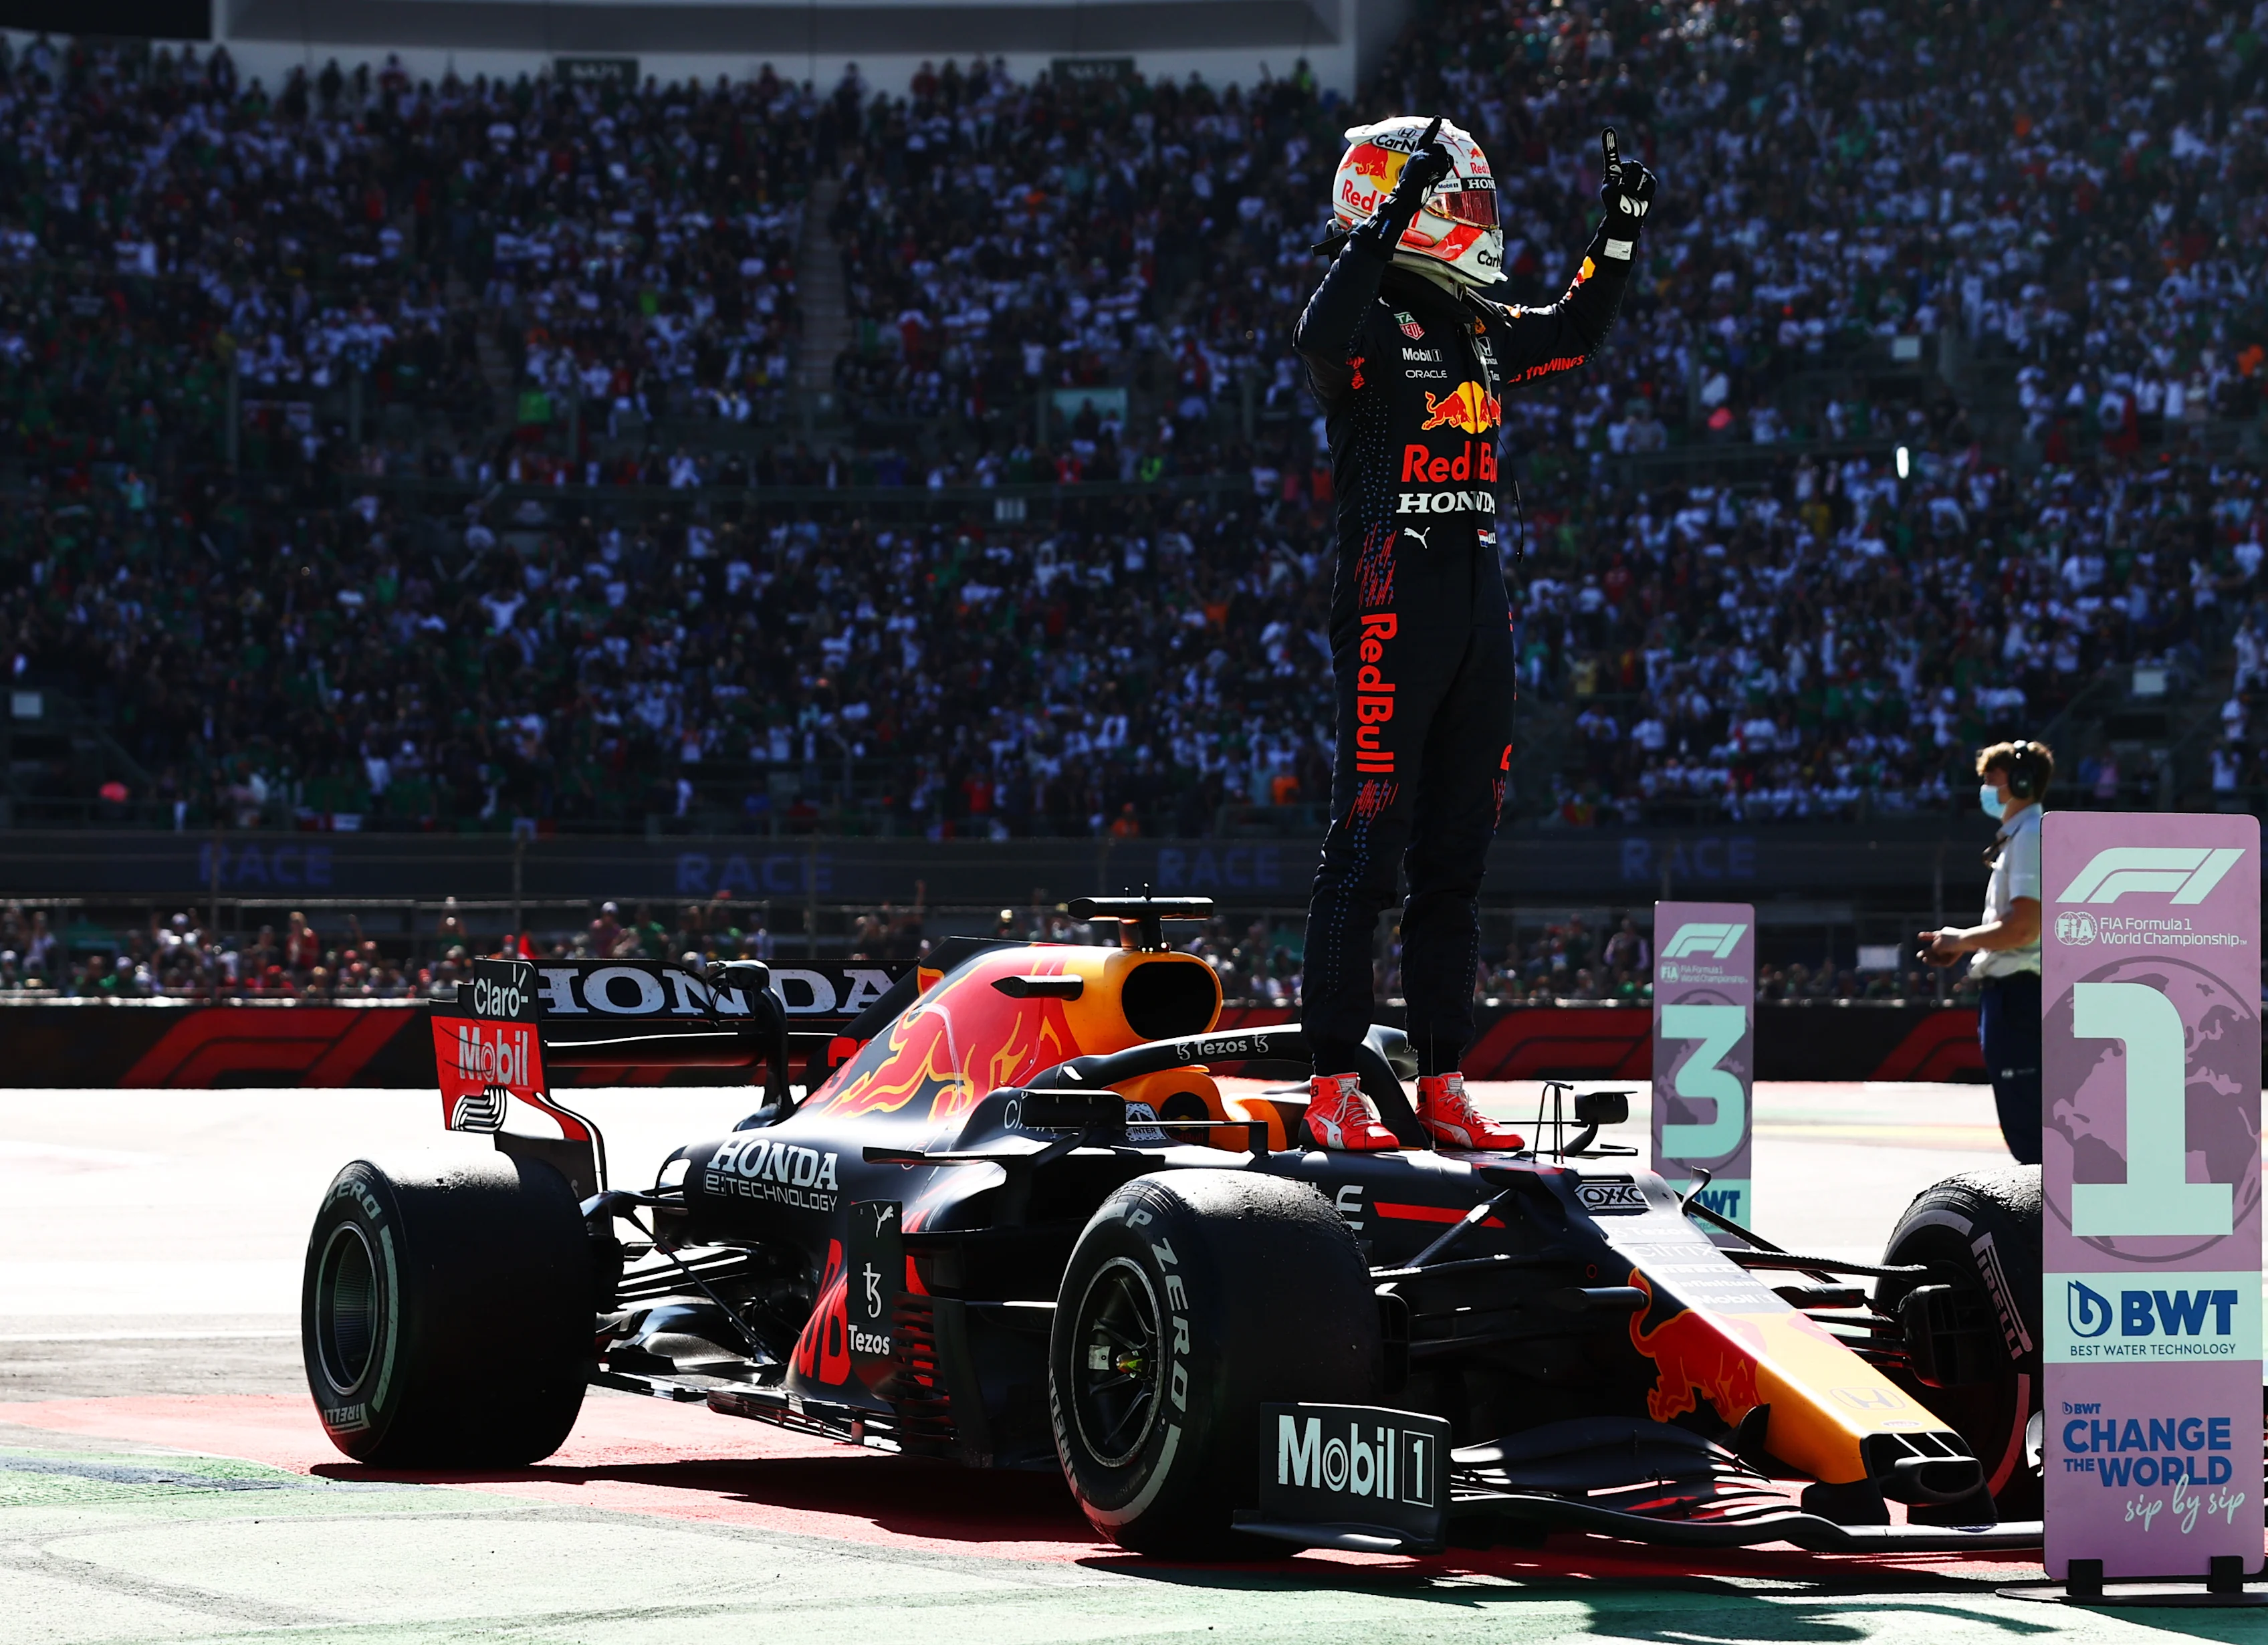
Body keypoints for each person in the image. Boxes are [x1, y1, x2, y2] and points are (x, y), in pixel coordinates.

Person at [1290, 116, 1656, 1149]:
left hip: (1477, 605)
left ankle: (1444, 1079)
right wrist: (1387, 222)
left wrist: (1619, 227)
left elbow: (1575, 331)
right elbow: (1315, 342)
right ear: (1390, 197)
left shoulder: (1480, 323)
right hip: (1387, 605)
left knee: (1456, 862)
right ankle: (1332, 1088)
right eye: (1454, 197)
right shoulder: (1359, 314)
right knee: (1364, 849)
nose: (1476, 218)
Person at [1919, 740, 2052, 1163]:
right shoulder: (2022, 835)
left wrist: (1961, 940)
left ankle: (2044, 1224)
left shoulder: (2031, 834)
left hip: (2019, 994)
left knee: (2030, 1128)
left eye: (1990, 779)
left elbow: (2024, 927)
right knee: (2027, 1121)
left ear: (2020, 781)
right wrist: (1964, 945)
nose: (1985, 788)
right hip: (2015, 992)